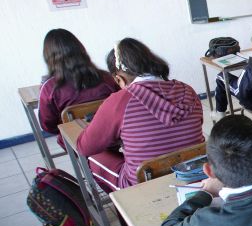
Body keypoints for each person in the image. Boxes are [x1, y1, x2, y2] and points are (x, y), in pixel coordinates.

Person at [76, 38, 205, 192]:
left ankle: (123, 206)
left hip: (143, 183)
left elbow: (84, 147)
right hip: (194, 172)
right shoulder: (187, 90)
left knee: (93, 157)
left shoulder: (119, 101)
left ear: (119, 79)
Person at [37, 29, 119, 148]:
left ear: (49, 57)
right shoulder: (107, 77)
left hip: (77, 141)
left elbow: (47, 125)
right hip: (113, 136)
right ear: (81, 50)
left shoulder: (50, 88)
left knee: (65, 135)